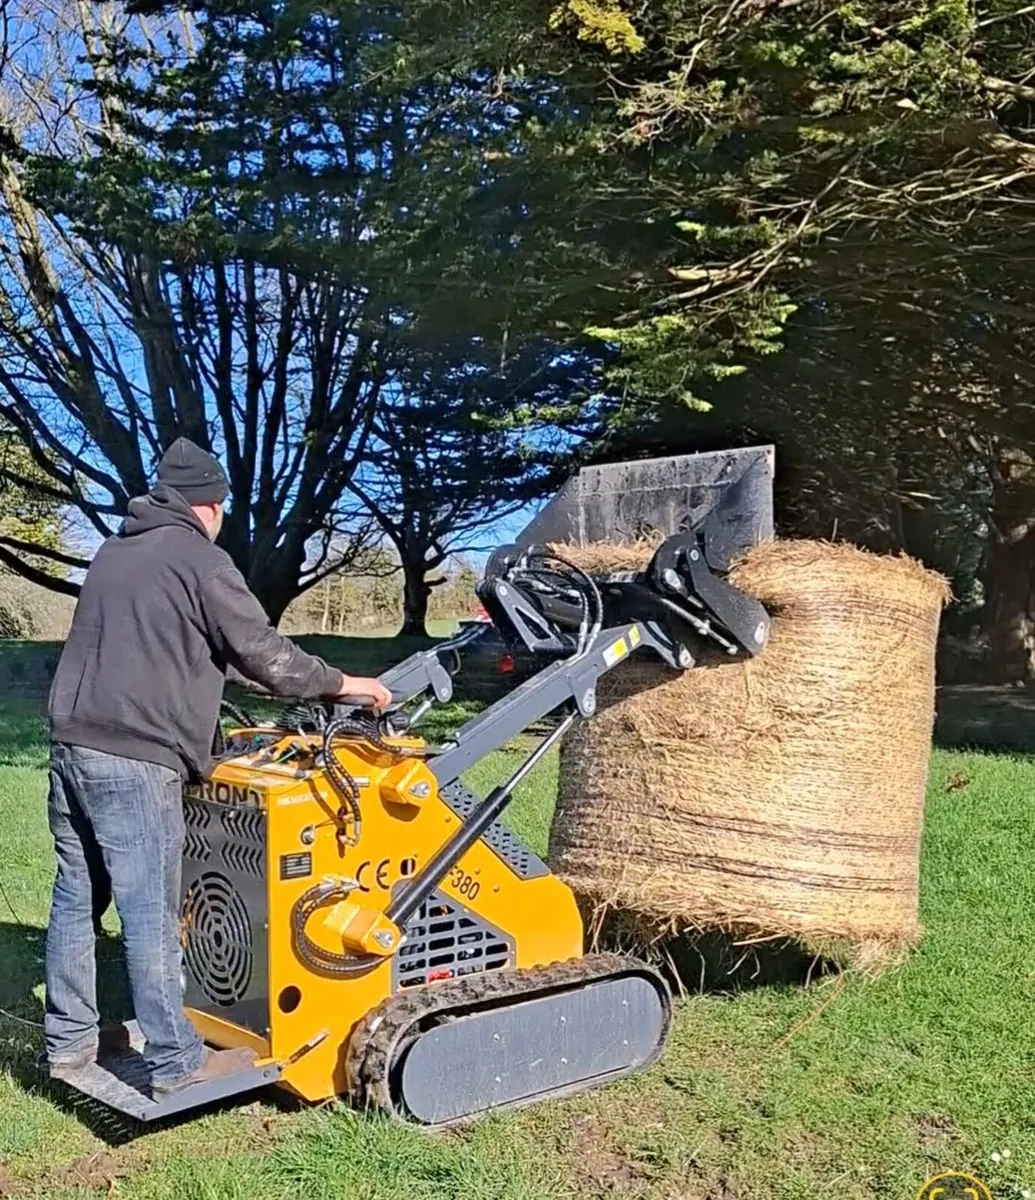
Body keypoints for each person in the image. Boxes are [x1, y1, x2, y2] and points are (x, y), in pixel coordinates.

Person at [44, 437, 391, 1096]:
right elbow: (264, 652)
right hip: (136, 755)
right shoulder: (200, 558)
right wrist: (346, 685)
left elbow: (195, 649)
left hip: (71, 746)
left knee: (76, 899)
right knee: (151, 909)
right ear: (211, 505)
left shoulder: (117, 553)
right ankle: (177, 1063)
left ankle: (69, 1043)